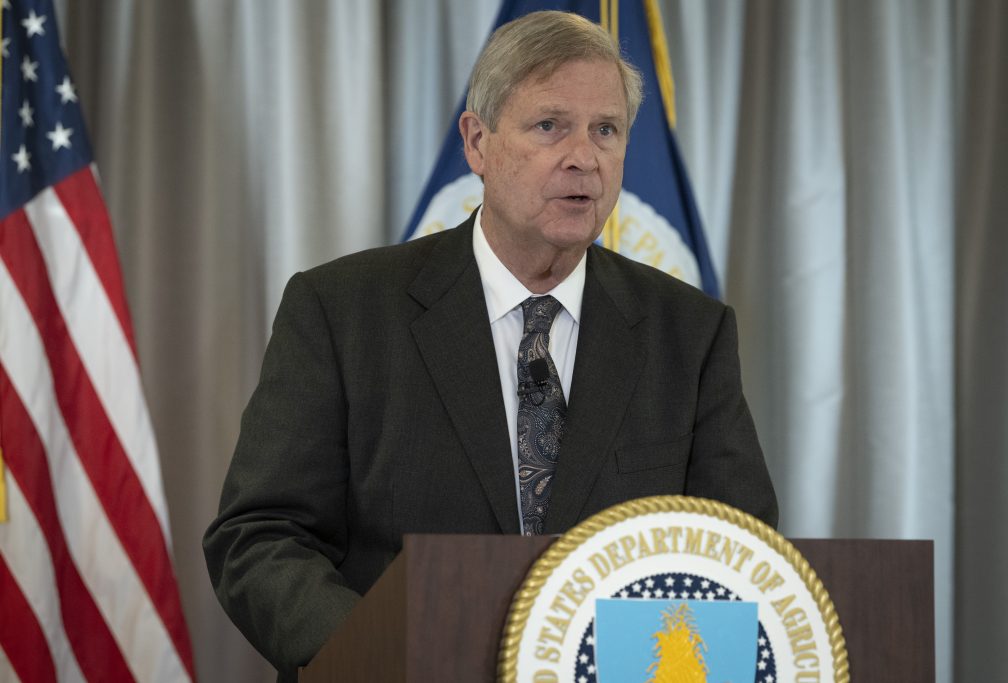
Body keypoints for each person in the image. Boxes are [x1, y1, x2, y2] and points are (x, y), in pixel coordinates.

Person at [203, 10, 777, 681]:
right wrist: (382, 651)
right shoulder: (343, 311)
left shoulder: (690, 333)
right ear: (477, 143)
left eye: (606, 131)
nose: (584, 157)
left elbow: (739, 558)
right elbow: (260, 537)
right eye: (549, 125)